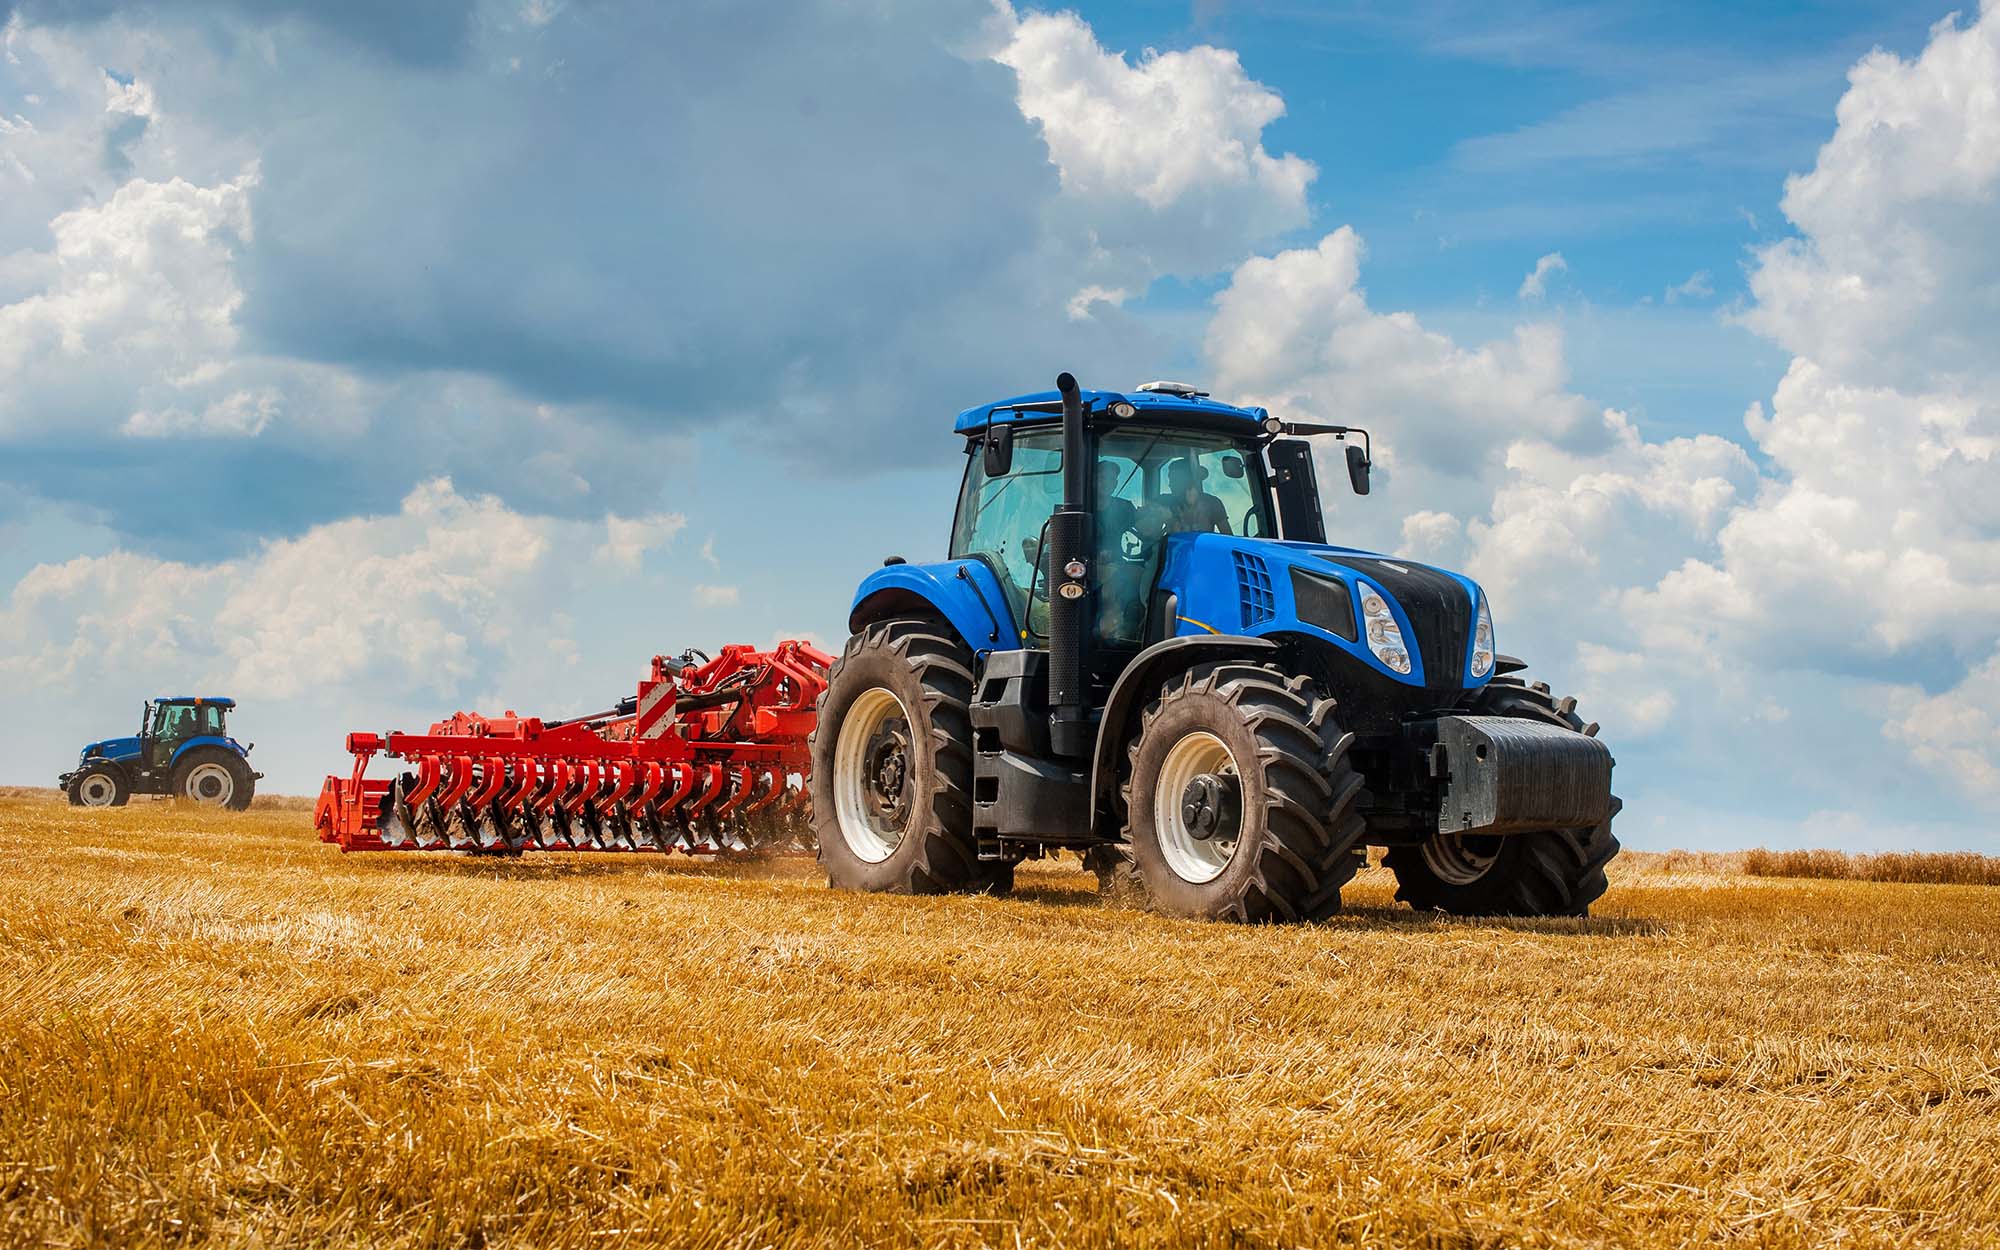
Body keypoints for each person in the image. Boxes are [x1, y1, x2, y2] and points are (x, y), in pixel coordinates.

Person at [1158, 458, 1230, 534]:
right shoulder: (1164, 503)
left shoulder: (1212, 503)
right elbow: (1149, 534)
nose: (1170, 484)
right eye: (1170, 480)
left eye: (1174, 480)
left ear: (1187, 480)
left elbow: (1228, 538)